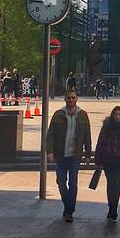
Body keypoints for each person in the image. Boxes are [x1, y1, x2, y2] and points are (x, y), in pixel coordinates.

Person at [45, 90, 91, 221]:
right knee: (61, 182)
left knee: (73, 183)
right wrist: (50, 151)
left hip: (75, 156)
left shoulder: (82, 115)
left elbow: (87, 135)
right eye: (69, 98)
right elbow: (50, 135)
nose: (71, 100)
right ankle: (68, 205)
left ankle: (69, 211)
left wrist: (88, 154)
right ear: (65, 99)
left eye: (73, 98)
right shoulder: (58, 115)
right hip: (61, 155)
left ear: (77, 99)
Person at [94, 105, 120, 222]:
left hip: (119, 161)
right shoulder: (106, 127)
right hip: (107, 160)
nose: (117, 116)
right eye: (116, 114)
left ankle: (114, 209)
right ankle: (111, 207)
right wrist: (97, 158)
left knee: (115, 183)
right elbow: (100, 143)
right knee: (110, 183)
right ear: (112, 115)